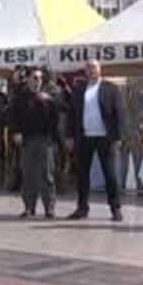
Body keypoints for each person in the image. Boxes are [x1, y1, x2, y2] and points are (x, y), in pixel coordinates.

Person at [66, 59, 125, 222]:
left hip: (105, 138)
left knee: (110, 175)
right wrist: (69, 135)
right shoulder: (79, 89)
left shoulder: (110, 88)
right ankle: (82, 208)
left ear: (100, 70)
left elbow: (119, 114)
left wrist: (118, 136)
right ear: (85, 71)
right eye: (88, 68)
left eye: (94, 67)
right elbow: (71, 114)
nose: (91, 70)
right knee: (82, 175)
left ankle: (115, 208)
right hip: (84, 138)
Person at [10, 67, 62, 219]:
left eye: (39, 78)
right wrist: (16, 132)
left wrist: (50, 100)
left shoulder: (50, 95)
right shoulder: (21, 96)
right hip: (27, 140)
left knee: (47, 175)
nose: (37, 80)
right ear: (28, 79)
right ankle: (29, 207)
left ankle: (49, 208)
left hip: (45, 140)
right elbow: (14, 117)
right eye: (34, 77)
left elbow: (61, 111)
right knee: (28, 174)